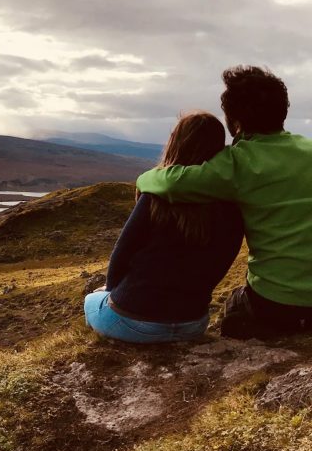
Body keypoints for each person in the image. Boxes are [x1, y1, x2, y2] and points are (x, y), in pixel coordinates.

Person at [137, 66, 312, 338]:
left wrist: (145, 178)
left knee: (233, 308)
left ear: (235, 123)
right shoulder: (308, 149)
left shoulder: (236, 163)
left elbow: (171, 182)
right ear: (283, 112)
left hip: (276, 300)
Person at [85, 111, 244, 343]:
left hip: (133, 321)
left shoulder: (155, 197)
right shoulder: (232, 205)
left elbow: (121, 254)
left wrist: (112, 291)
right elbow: (224, 260)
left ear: (176, 143)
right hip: (193, 323)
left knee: (92, 299)